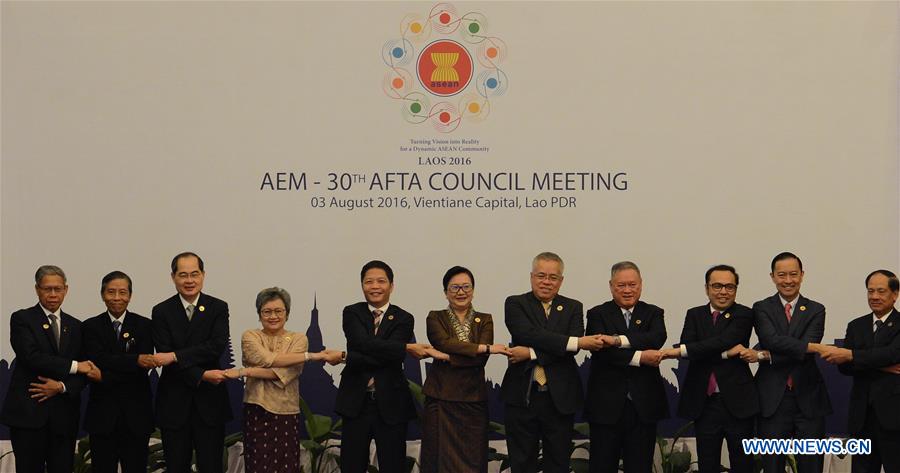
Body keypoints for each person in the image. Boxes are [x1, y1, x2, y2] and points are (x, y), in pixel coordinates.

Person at [215, 287, 342, 473]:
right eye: (267, 311)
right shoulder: (251, 336)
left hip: (287, 413)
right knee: (257, 466)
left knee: (286, 467)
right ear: (259, 314)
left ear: (287, 313)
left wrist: (245, 371)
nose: (273, 316)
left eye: (278, 311)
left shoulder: (299, 339)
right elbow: (267, 360)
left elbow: (282, 374)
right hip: (256, 410)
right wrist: (310, 356)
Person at [335, 260, 442, 473]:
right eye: (369, 282)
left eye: (381, 281)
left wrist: (351, 357)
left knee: (392, 466)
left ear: (391, 286)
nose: (375, 286)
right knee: (351, 466)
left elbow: (390, 358)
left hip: (391, 404)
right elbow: (361, 344)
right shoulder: (352, 312)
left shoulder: (403, 318)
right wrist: (404, 347)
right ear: (362, 285)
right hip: (356, 403)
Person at [501, 252, 598, 473]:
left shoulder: (574, 306)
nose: (546, 282)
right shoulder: (516, 303)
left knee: (559, 462)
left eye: (553, 277)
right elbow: (527, 333)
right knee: (522, 462)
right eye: (541, 275)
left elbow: (570, 350)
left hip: (560, 400)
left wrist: (531, 354)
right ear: (531, 277)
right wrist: (573, 342)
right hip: (523, 397)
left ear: (561, 280)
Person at [0, 265, 100, 473]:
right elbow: (31, 357)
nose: (53, 294)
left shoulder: (76, 326)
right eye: (47, 289)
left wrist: (62, 386)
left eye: (58, 288)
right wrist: (74, 366)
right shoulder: (22, 319)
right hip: (29, 416)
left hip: (64, 418)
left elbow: (86, 371)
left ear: (66, 289)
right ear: (37, 289)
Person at [659, 265, 758, 473]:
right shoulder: (694, 314)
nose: (723, 291)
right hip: (704, 403)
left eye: (729, 286)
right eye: (717, 286)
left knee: (743, 464)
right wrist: (725, 353)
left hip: (738, 402)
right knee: (707, 462)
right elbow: (701, 345)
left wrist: (682, 351)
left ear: (736, 289)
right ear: (707, 288)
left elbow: (726, 340)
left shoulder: (745, 314)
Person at [420, 266, 512, 473]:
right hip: (441, 399)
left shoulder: (485, 319)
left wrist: (443, 357)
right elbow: (443, 342)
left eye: (466, 287)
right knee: (437, 459)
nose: (461, 292)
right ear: (445, 292)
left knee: (473, 459)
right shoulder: (435, 317)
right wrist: (483, 347)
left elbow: (480, 361)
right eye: (454, 288)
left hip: (473, 401)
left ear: (473, 290)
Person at [151, 252, 232, 473]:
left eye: (194, 274)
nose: (189, 280)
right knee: (176, 466)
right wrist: (201, 375)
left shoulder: (218, 307)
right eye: (183, 275)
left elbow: (215, 346)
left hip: (209, 403)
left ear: (203, 275)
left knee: (211, 466)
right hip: (174, 402)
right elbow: (164, 355)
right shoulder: (161, 311)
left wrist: (177, 355)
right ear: (173, 277)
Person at [584, 261, 668, 473]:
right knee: (602, 466)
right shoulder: (597, 314)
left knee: (640, 467)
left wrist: (617, 340)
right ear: (611, 286)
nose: (628, 290)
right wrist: (640, 357)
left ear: (641, 285)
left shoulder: (653, 313)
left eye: (633, 284)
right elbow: (603, 353)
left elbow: (656, 338)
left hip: (643, 406)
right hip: (606, 407)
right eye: (622, 285)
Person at [752, 252, 831, 473]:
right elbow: (770, 340)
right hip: (772, 400)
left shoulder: (816, 309)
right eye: (782, 275)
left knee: (811, 465)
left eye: (793, 274)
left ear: (802, 275)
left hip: (808, 398)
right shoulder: (761, 307)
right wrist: (803, 346)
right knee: (772, 466)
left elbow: (807, 347)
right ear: (772, 277)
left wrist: (768, 355)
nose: (788, 280)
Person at [819, 270, 900, 473]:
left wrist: (852, 355)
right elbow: (845, 367)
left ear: (895, 294)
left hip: (894, 416)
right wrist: (882, 366)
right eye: (870, 291)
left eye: (881, 291)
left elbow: (892, 354)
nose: (874, 296)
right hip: (861, 416)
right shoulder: (856, 325)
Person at [82, 271, 156, 473]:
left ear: (130, 295)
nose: (117, 298)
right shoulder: (89, 326)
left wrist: (104, 375)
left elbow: (142, 369)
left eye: (122, 292)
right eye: (111, 292)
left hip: (136, 416)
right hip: (102, 416)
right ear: (102, 294)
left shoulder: (145, 325)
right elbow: (97, 358)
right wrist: (135, 360)